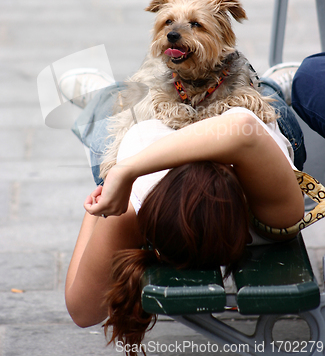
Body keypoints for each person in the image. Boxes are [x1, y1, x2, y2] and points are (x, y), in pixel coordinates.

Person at [63, 63, 311, 351]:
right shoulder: (273, 215)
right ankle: (275, 83)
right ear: (244, 230)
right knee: (260, 94)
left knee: (109, 118)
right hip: (239, 112)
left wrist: (104, 197)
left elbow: (81, 311)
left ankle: (101, 93)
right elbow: (243, 127)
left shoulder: (131, 209)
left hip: (142, 133)